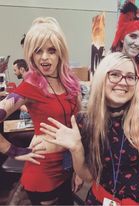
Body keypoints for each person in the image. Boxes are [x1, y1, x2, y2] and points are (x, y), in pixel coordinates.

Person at [40, 52, 139, 205]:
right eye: (115, 74)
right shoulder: (85, 121)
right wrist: (76, 149)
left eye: (130, 77)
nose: (123, 82)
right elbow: (88, 176)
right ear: (102, 78)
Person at [0, 17, 82, 205]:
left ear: (60, 52)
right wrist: (12, 150)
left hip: (68, 165)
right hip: (43, 172)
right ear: (31, 54)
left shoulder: (69, 82)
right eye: (38, 51)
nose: (44, 57)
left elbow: (77, 127)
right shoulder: (30, 86)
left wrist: (79, 169)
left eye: (51, 50)